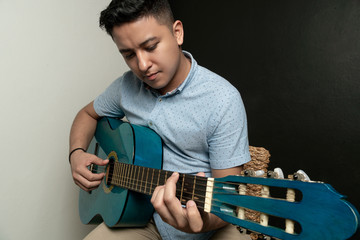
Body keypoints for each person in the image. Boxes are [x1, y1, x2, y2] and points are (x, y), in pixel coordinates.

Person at [69, 0, 252, 239]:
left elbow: (228, 202)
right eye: (129, 54)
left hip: (208, 224)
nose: (143, 65)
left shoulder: (222, 99)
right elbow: (87, 114)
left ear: (177, 33)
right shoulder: (126, 87)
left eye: (151, 46)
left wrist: (200, 222)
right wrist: (76, 153)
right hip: (141, 217)